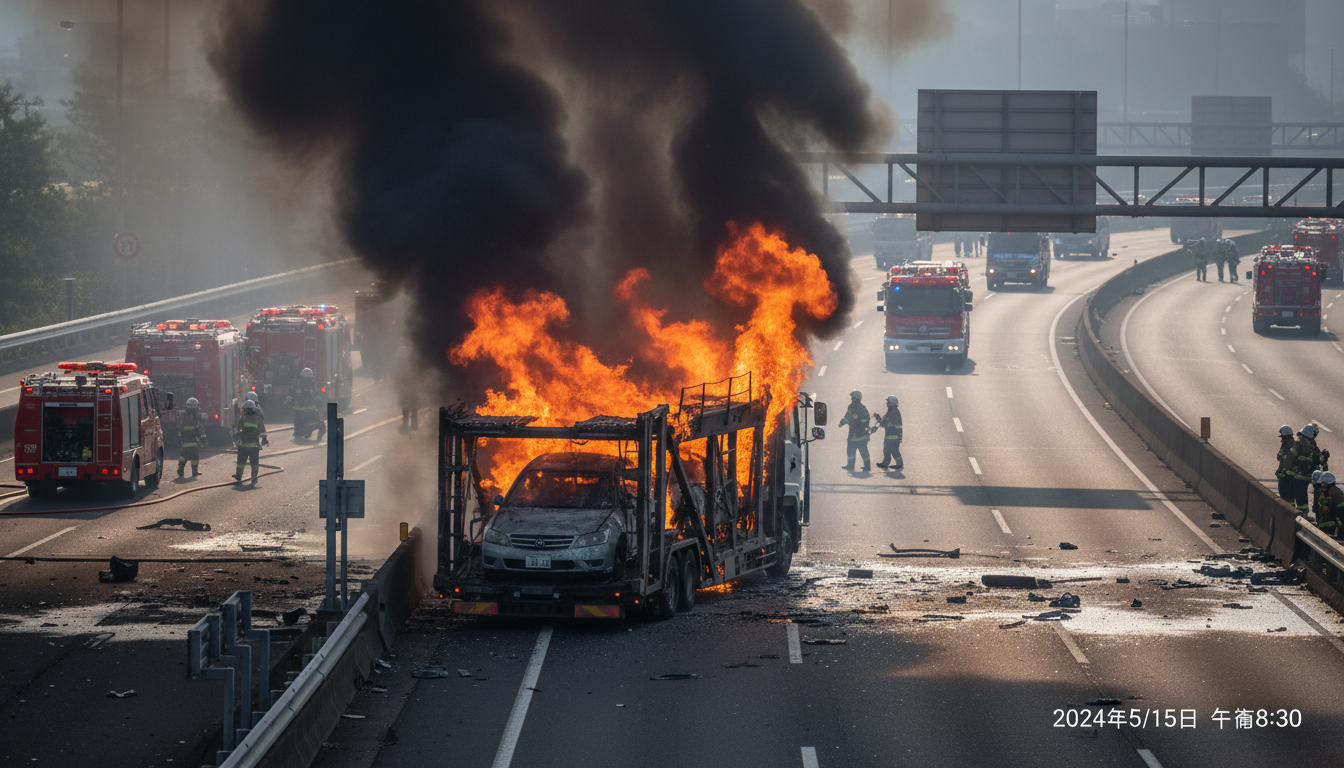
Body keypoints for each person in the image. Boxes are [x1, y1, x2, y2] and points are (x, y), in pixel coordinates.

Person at [1288, 423, 1324, 512]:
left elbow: (1291, 457)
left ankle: (1299, 514)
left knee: (1298, 496)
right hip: (1308, 475)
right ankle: (1303, 514)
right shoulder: (1312, 445)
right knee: (1302, 495)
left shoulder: (1298, 444)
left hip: (1297, 475)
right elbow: (1319, 459)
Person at [233, 399, 268, 484]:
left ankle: (238, 475)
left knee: (241, 461)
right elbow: (262, 430)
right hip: (254, 446)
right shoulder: (257, 418)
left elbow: (237, 428)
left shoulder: (244, 417)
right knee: (254, 463)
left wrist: (235, 436)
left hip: (243, 445)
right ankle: (254, 478)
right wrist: (264, 439)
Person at [838, 390, 874, 471]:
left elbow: (866, 419)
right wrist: (842, 422)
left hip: (861, 434)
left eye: (853, 397)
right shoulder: (850, 407)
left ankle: (867, 466)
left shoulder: (862, 408)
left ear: (857, 398)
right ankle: (850, 465)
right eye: (852, 397)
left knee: (863, 451)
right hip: (852, 434)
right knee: (850, 451)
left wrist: (859, 421)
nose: (852, 399)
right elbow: (847, 417)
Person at [287, 368, 325, 441]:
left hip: (311, 409)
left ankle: (313, 434)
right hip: (299, 410)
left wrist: (318, 400)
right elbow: (291, 394)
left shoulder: (312, 384)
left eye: (309, 378)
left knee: (320, 424)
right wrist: (289, 401)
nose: (308, 380)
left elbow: (315, 394)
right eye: (306, 378)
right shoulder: (297, 385)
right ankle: (300, 431)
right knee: (299, 430)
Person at [177, 397, 207, 478]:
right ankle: (185, 471)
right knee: (188, 456)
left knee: (191, 456)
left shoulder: (187, 416)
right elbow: (200, 428)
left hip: (189, 439)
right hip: (190, 439)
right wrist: (203, 438)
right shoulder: (191, 417)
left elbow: (179, 426)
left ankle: (188, 471)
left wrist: (203, 437)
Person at [874, 395, 903, 470]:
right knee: (886, 450)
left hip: (894, 436)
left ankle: (899, 464)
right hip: (889, 435)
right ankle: (885, 463)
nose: (886, 403)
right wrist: (878, 419)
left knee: (894, 450)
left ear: (892, 403)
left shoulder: (894, 412)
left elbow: (888, 424)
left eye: (888, 401)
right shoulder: (890, 411)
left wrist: (882, 421)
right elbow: (884, 423)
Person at [1318, 472, 1344, 538]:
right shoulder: (1335, 491)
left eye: (1323, 486)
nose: (1321, 488)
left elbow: (1326, 510)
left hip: (1340, 514)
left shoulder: (1329, 493)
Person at [1276, 425, 1296, 502]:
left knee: (1285, 495)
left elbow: (1280, 457)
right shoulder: (1291, 444)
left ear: (1285, 436)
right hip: (1287, 475)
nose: (1281, 439)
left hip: (1287, 476)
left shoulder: (1288, 445)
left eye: (1282, 436)